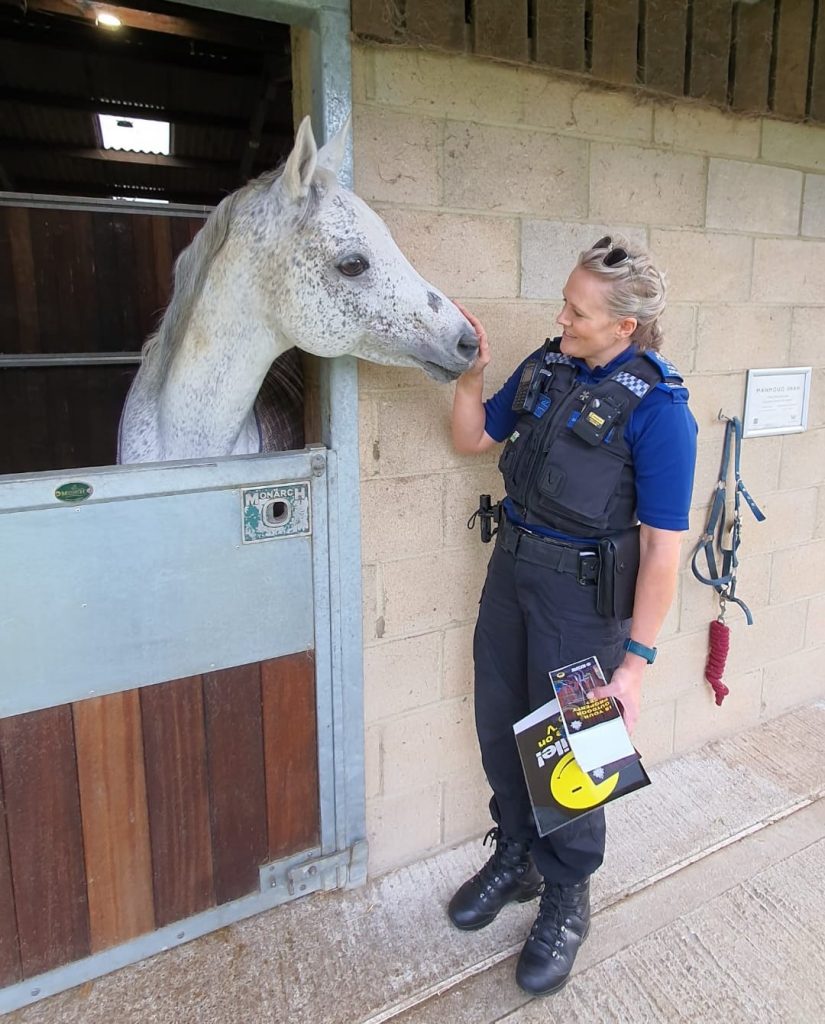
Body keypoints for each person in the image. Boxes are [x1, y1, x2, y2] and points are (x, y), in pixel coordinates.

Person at [448, 235, 697, 996]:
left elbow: (662, 552)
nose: (561, 320)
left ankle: (565, 893)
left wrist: (636, 664)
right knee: (499, 726)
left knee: (571, 757)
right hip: (511, 577)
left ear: (625, 327)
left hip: (583, 604)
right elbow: (470, 435)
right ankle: (516, 854)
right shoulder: (545, 367)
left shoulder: (659, 413)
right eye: (563, 302)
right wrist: (472, 375)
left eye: (577, 312)